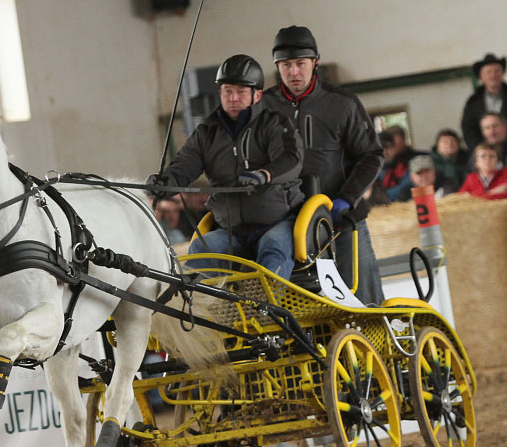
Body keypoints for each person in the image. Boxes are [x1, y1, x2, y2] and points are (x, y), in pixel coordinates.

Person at [147, 54, 304, 279]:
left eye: (241, 91)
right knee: (200, 251)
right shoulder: (205, 133)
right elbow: (184, 166)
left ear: (257, 95)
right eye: (227, 91)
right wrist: (166, 183)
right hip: (231, 231)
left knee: (274, 247)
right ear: (219, 93)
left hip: (277, 222)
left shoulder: (275, 123)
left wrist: (264, 175)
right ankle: (207, 311)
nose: (233, 98)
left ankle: (267, 311)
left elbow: (292, 159)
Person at [261, 25, 385, 305]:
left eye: (301, 64)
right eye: (286, 64)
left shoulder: (343, 104)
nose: (294, 72)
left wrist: (347, 198)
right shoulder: (261, 108)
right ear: (277, 66)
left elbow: (372, 155)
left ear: (315, 62)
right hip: (285, 226)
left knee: (365, 302)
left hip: (341, 222)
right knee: (298, 311)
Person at [461, 53, 507, 149]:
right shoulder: (473, 101)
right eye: (488, 72)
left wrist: (505, 145)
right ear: (481, 76)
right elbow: (468, 129)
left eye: (497, 71)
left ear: (502, 74)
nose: (493, 75)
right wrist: (480, 149)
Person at [431, 128, 470, 193]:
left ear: (458, 144)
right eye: (445, 141)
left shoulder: (469, 159)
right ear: (438, 146)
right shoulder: (430, 162)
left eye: (452, 141)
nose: (449, 144)